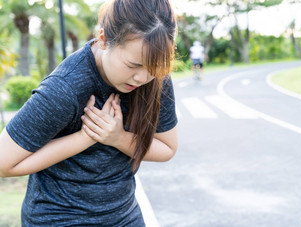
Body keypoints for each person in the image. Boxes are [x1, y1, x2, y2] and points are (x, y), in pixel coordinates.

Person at [0, 0, 178, 226]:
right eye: (133, 65)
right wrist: (85, 137)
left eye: (154, 67)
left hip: (124, 216)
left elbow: (167, 148)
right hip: (58, 219)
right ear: (103, 40)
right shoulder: (65, 89)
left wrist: (118, 138)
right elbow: (3, 163)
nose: (143, 78)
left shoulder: (156, 74)